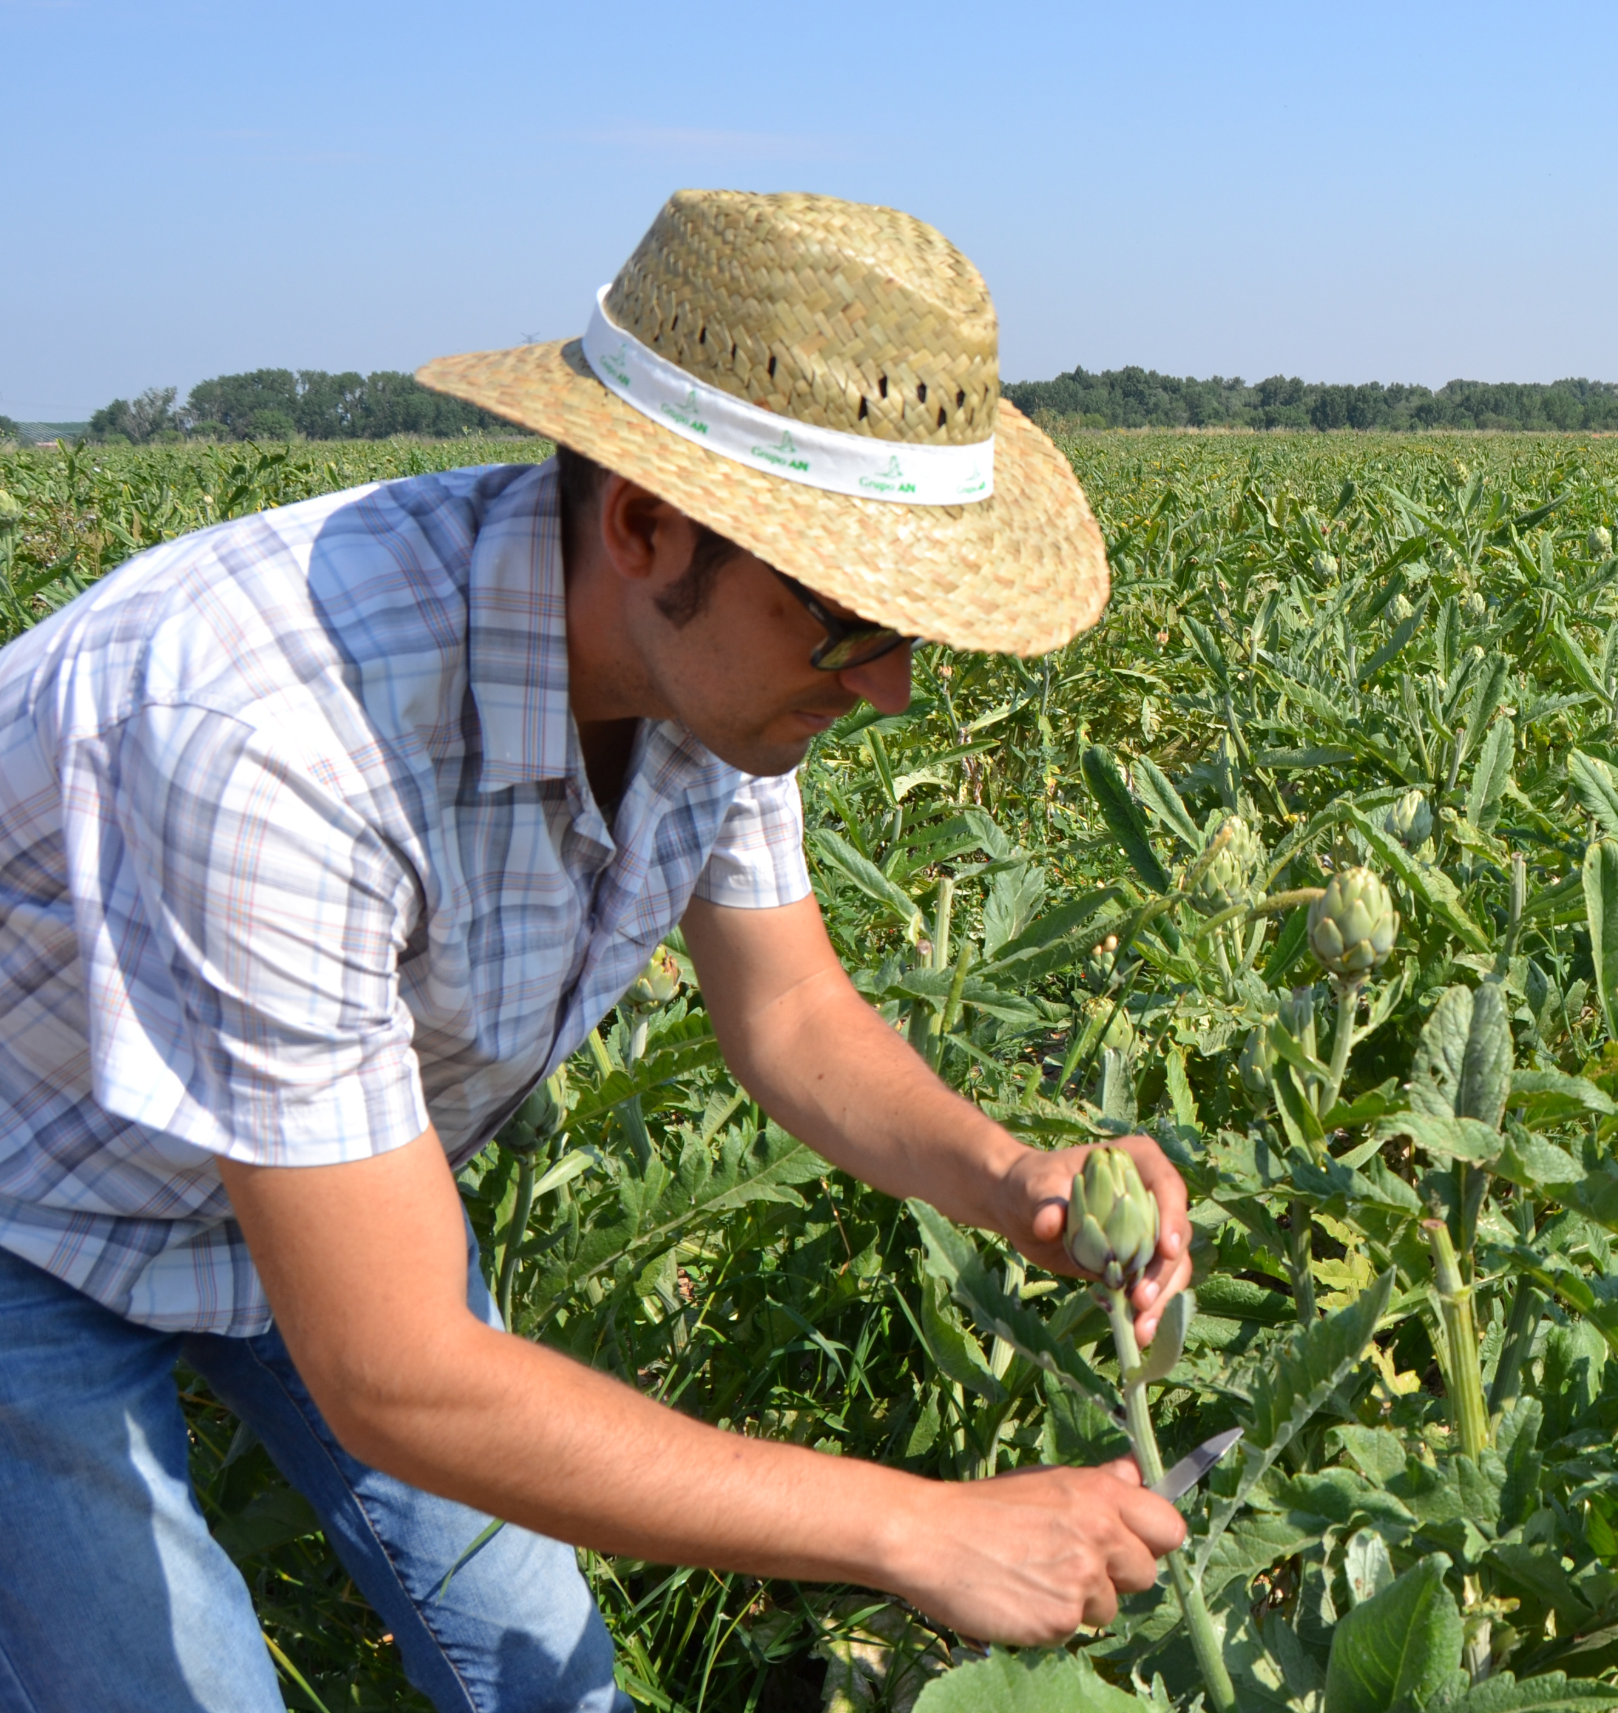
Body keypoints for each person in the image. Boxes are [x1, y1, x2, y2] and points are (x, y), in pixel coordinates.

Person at [0, 192, 1191, 1713]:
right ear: (641, 524)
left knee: (551, 1682)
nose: (889, 688)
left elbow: (798, 1019)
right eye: (846, 621)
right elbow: (396, 1371)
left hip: (349, 1195)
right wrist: (914, 1526)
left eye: (910, 627)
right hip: (29, 1217)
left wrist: (1007, 1172)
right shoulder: (270, 731)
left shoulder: (713, 670)